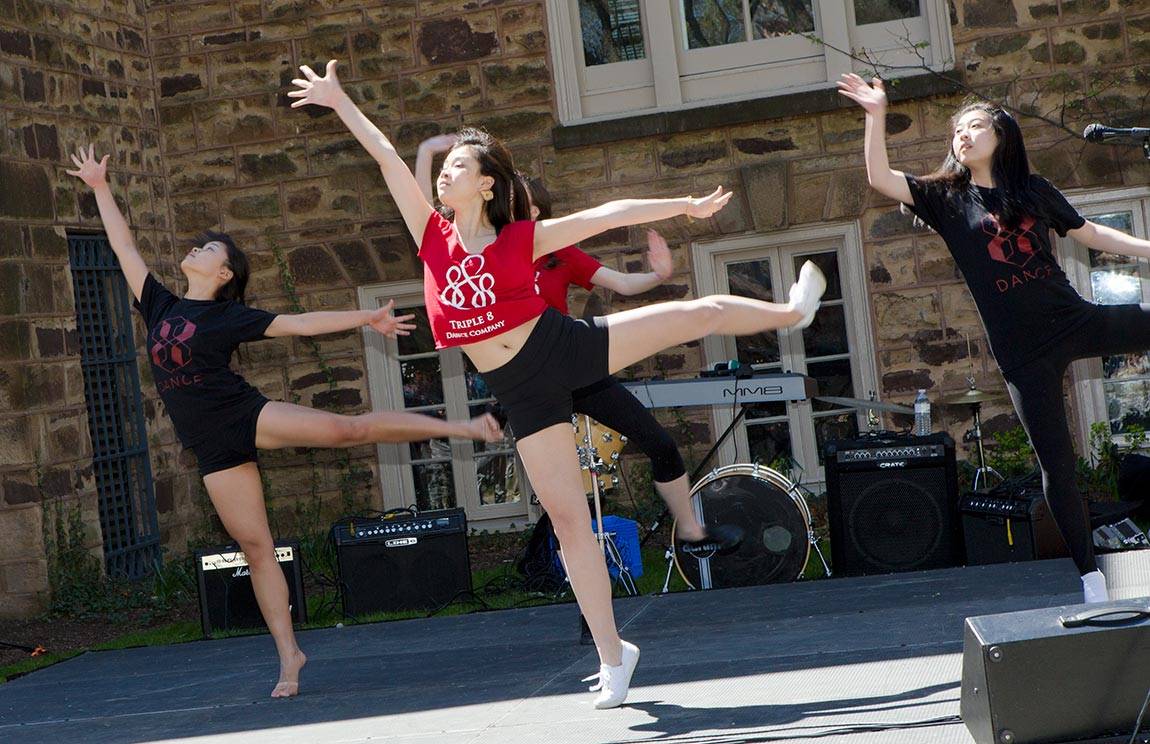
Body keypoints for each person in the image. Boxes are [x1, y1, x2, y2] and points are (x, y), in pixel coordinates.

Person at [290, 60, 825, 708]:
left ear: (486, 184)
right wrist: (338, 99)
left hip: (563, 347)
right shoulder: (431, 237)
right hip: (522, 390)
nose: (444, 173)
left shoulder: (522, 238)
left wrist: (684, 205)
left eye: (458, 165)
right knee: (570, 524)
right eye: (445, 167)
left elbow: (609, 212)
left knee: (697, 315)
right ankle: (614, 656)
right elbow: (383, 156)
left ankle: (791, 311)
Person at [67, 145, 504, 698]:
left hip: (244, 415)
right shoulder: (159, 304)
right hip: (210, 446)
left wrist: (366, 318)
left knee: (351, 430)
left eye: (208, 249)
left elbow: (299, 324)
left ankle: (462, 428)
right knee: (256, 548)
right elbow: (123, 245)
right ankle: (290, 655)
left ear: (223, 273)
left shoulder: (228, 315)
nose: (195, 248)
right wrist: (100, 186)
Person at [837, 74, 1150, 604]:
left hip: (1072, 320)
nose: (962, 136)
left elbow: (1092, 234)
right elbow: (880, 177)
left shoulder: (1033, 190)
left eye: (974, 126)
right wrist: (875, 115)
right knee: (1058, 465)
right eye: (956, 131)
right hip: (1022, 353)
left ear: (1000, 136)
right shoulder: (944, 197)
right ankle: (1091, 579)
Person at [417, 135, 742, 556]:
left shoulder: (555, 251)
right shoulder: (471, 248)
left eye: (531, 206)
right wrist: (426, 154)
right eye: (519, 202)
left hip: (571, 363)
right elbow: (428, 221)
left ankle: (691, 530)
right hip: (525, 379)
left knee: (657, 441)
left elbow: (621, 281)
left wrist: (656, 277)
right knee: (567, 498)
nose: (525, 210)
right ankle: (568, 577)